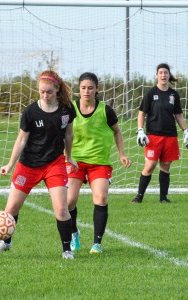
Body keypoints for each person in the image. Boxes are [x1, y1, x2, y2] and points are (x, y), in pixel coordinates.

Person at [0, 70, 78, 259]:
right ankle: (5, 242)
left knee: (61, 208)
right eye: (42, 92)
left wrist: (68, 157)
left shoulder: (67, 109)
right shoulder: (30, 112)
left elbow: (69, 135)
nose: (45, 95)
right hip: (28, 165)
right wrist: (10, 164)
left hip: (54, 163)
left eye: (49, 92)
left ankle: (67, 249)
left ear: (57, 90)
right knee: (11, 209)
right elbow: (21, 140)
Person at [66, 72, 131, 254]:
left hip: (99, 162)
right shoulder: (70, 109)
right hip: (75, 160)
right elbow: (62, 132)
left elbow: (117, 131)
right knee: (69, 201)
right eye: (83, 88)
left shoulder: (106, 110)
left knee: (101, 198)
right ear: (79, 89)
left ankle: (97, 244)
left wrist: (122, 154)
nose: (87, 91)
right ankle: (73, 233)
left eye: (91, 88)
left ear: (97, 89)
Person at [132, 63, 188, 204]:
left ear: (169, 75)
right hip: (153, 136)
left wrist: (186, 131)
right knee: (150, 166)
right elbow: (141, 114)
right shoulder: (151, 93)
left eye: (166, 72)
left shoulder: (173, 95)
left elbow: (178, 115)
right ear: (157, 75)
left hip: (170, 136)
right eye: (161, 72)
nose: (163, 75)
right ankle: (139, 196)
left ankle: (163, 198)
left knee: (165, 166)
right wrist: (140, 130)